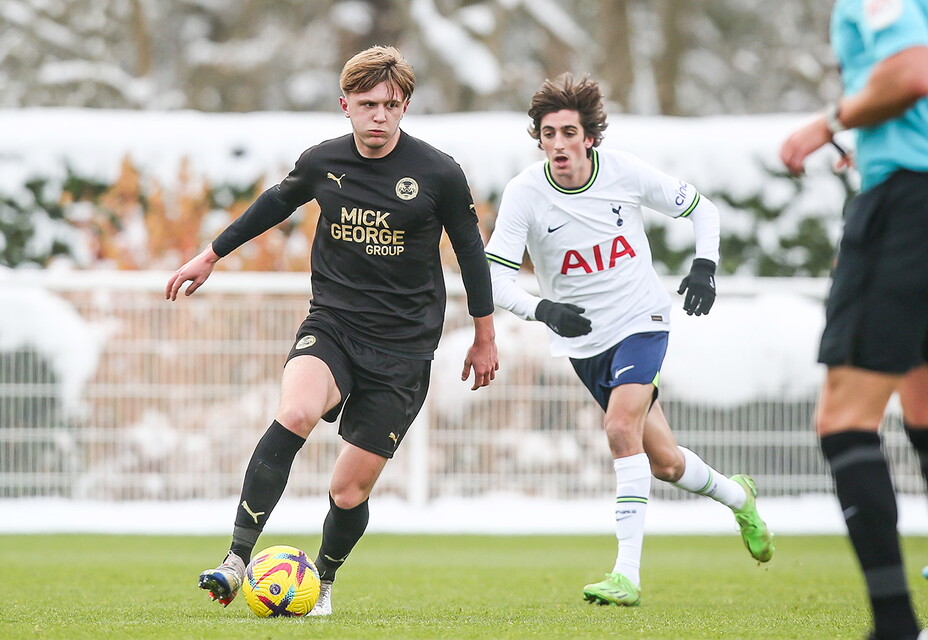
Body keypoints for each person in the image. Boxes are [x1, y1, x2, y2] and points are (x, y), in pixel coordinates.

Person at [166, 45, 499, 616]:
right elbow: (275, 203)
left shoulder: (438, 173)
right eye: (367, 104)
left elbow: (471, 252)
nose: (379, 116)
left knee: (348, 490)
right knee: (294, 412)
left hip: (404, 348)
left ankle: (321, 580)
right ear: (345, 105)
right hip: (334, 325)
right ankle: (236, 559)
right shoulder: (323, 161)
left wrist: (484, 335)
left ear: (405, 106)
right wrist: (210, 255)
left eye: (390, 105)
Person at [485, 73, 774, 607]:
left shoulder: (623, 172)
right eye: (548, 134)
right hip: (585, 344)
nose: (558, 145)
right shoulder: (525, 193)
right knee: (663, 462)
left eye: (568, 132)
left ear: (589, 136)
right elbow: (496, 277)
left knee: (620, 428)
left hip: (642, 322)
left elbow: (702, 209)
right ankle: (740, 497)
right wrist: (542, 308)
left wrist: (705, 265)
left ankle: (626, 575)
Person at [780, 0, 928, 637]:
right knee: (923, 410)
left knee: (845, 420)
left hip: (910, 206)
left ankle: (894, 625)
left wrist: (830, 121)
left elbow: (910, 75)